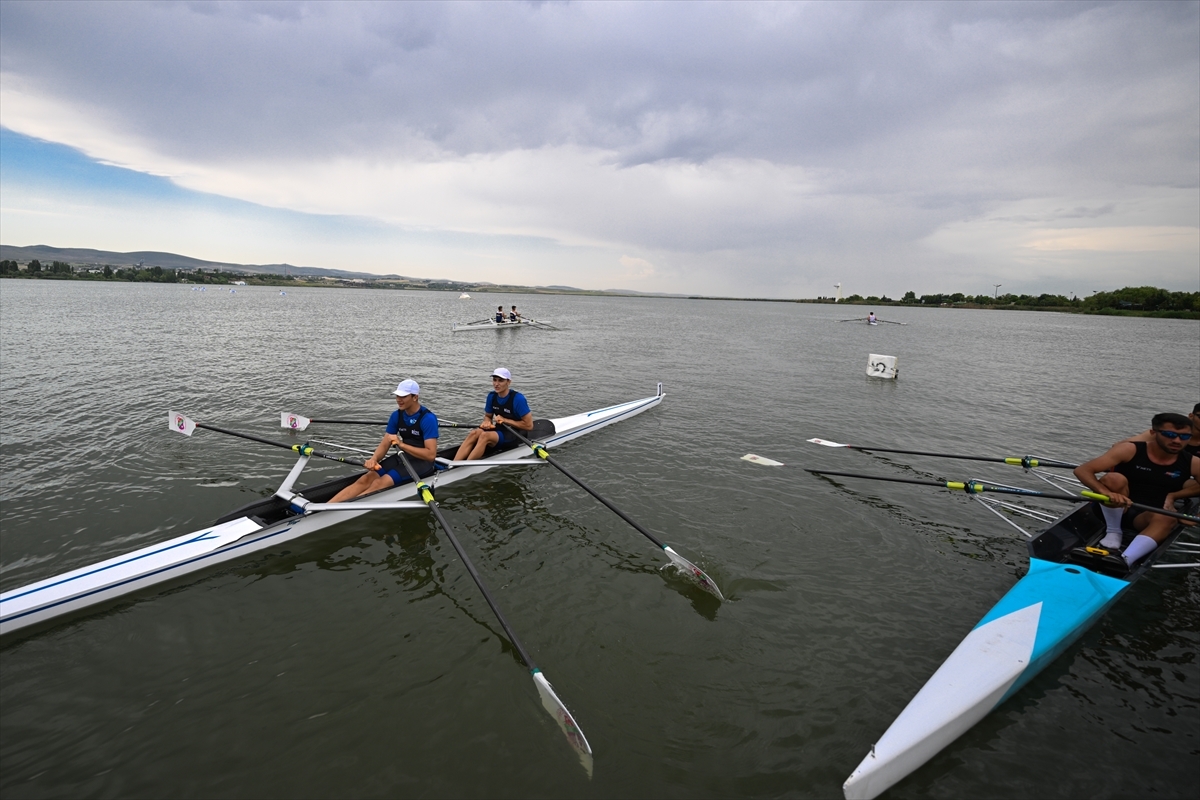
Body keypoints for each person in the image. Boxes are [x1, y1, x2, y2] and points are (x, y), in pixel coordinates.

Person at [1073, 412, 1200, 564]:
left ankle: (1124, 561)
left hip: (1147, 517)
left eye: (1184, 437)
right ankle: (1113, 531)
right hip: (1111, 508)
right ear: (1153, 433)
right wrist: (1106, 492)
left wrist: (1195, 514)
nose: (1177, 441)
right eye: (1170, 434)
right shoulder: (1129, 450)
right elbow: (1082, 470)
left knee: (1168, 517)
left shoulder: (1193, 462)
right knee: (1114, 479)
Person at [329, 379, 439, 502]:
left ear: (415, 397)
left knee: (379, 483)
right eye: (397, 395)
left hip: (422, 463)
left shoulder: (428, 419)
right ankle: (325, 508)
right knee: (365, 479)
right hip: (402, 457)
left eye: (403, 396)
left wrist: (402, 445)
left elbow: (430, 455)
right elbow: (385, 443)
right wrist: (374, 459)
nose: (398, 399)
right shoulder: (396, 415)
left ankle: (339, 512)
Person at [453, 368, 534, 461]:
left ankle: (463, 467)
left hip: (516, 434)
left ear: (508, 382)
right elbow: (488, 416)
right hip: (500, 430)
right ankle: (453, 465)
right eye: (494, 380)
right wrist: (487, 422)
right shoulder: (491, 396)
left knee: (484, 436)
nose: (496, 384)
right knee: (474, 433)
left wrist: (505, 420)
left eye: (501, 380)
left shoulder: (518, 399)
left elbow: (529, 426)